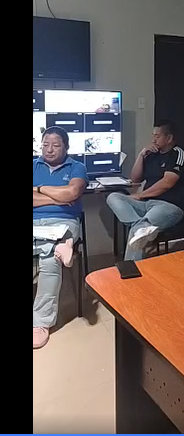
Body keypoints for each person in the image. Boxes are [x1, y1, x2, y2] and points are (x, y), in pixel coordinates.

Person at [33, 127, 88, 349]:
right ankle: (64, 245)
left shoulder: (77, 167)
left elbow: (72, 193)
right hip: (35, 222)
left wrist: (39, 189)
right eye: (45, 145)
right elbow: (65, 196)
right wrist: (57, 198)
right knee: (52, 249)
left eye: (55, 145)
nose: (49, 149)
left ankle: (40, 323)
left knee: (49, 261)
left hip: (63, 221)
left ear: (66, 147)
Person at [106, 120, 184, 260]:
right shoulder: (152, 155)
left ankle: (131, 269)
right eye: (153, 136)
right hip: (146, 204)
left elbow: (167, 182)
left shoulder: (177, 154)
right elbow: (135, 179)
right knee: (113, 197)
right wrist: (141, 155)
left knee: (136, 231)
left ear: (169, 138)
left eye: (157, 136)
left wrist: (140, 195)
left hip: (169, 206)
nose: (153, 140)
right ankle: (142, 227)